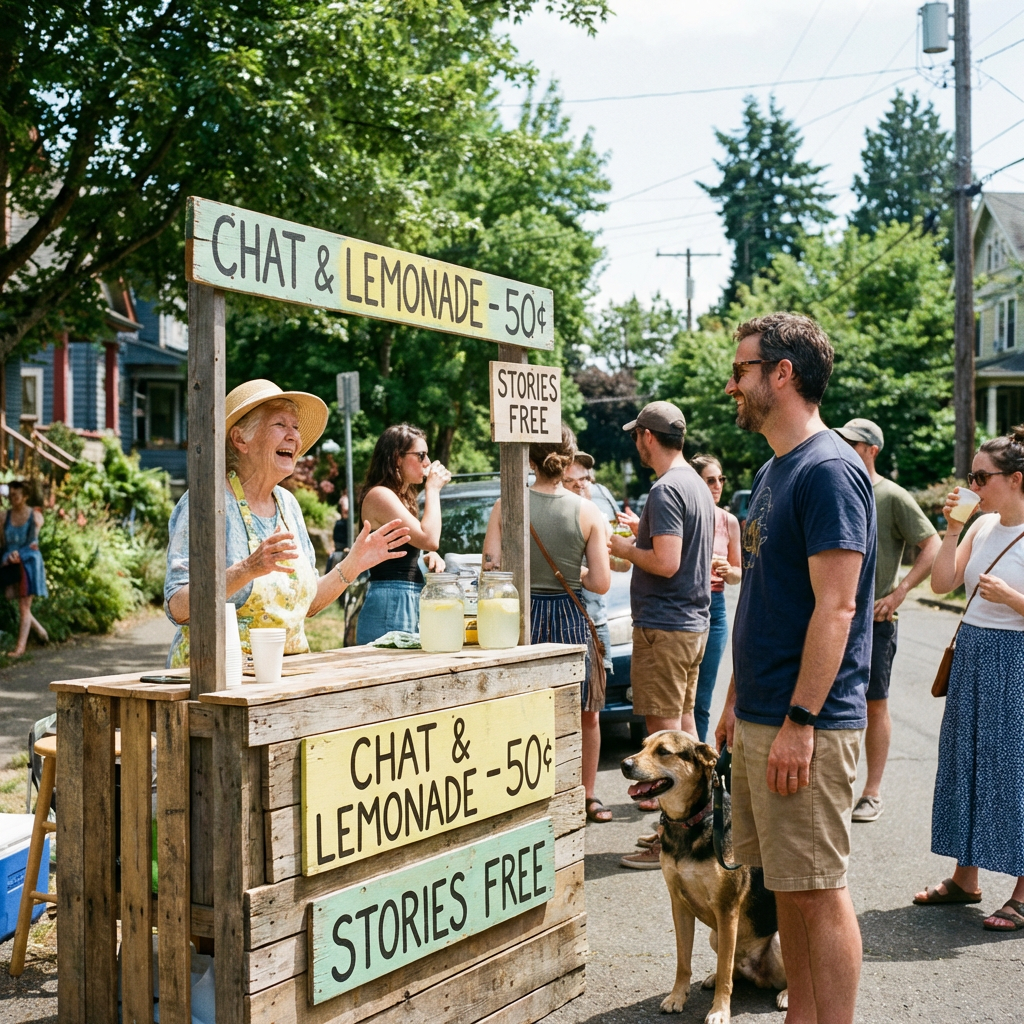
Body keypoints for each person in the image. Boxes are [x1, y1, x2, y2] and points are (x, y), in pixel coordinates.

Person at [714, 313, 875, 1024]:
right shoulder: (773, 469)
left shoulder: (832, 468)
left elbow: (837, 609)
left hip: (805, 720)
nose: (733, 384)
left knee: (816, 889)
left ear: (783, 373)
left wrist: (801, 720)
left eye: (743, 369)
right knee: (787, 889)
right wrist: (735, 698)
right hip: (762, 712)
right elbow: (769, 601)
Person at [165, 380, 411, 665]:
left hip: (283, 676)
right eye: (280, 425)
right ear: (240, 439)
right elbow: (179, 607)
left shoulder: (287, 505)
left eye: (296, 427)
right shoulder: (208, 502)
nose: (294, 436)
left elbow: (308, 605)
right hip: (218, 679)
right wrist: (248, 568)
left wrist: (355, 563)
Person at [913, 428, 1024, 932]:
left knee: (1012, 773)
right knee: (964, 762)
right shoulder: (983, 528)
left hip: (1015, 659)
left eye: (982, 477)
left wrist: (1013, 600)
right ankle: (966, 878)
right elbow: (942, 583)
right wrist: (955, 529)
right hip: (974, 653)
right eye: (971, 475)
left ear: (1016, 479)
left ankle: (1023, 892)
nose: (972, 485)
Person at [483, 425, 611, 822]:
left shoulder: (507, 504)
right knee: (585, 712)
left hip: (523, 617)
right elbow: (602, 583)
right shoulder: (588, 511)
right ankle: (587, 795)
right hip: (570, 616)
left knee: (524, 710)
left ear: (530, 459)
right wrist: (577, 573)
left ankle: (524, 797)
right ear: (570, 461)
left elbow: (491, 566)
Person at [609, 401, 714, 869]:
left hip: (664, 626)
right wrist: (642, 536)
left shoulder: (665, 489)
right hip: (691, 623)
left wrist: (625, 547)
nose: (637, 444)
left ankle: (672, 837)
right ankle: (699, 824)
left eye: (637, 436)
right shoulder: (694, 483)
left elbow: (667, 562)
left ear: (648, 437)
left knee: (662, 739)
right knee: (686, 729)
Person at [834, 418, 940, 823]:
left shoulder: (892, 495)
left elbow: (931, 544)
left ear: (871, 450)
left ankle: (872, 792)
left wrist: (900, 591)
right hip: (831, 617)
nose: (844, 448)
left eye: (852, 444)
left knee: (874, 704)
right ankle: (834, 788)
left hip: (876, 621)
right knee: (827, 704)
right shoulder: (837, 486)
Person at [563, 451, 626, 823]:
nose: (582, 484)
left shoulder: (599, 515)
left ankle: (589, 794)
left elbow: (621, 567)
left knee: (591, 713)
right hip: (561, 616)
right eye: (574, 479)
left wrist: (619, 548)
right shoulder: (556, 512)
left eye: (586, 478)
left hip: (595, 621)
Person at [356, 424, 450, 645]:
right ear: (397, 458)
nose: (427, 463)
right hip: (391, 602)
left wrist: (423, 560)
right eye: (421, 455)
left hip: (404, 599)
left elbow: (411, 547)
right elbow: (430, 539)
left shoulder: (401, 497)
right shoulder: (380, 495)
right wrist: (433, 490)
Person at [689, 454, 742, 744]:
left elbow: (737, 573)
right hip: (685, 603)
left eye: (720, 479)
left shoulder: (729, 521)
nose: (717, 485)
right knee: (682, 695)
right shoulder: (686, 514)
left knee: (703, 695)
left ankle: (699, 762)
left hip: (716, 605)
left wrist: (727, 569)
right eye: (710, 480)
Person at [1, 481, 48, 658]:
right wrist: (7, 556)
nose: (12, 499)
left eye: (16, 495)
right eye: (10, 495)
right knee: (10, 597)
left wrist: (19, 554)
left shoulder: (34, 516)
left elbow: (33, 543)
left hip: (28, 562)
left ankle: (20, 649)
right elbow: (3, 542)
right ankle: (41, 631)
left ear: (25, 496)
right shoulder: (5, 516)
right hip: (10, 562)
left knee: (24, 605)